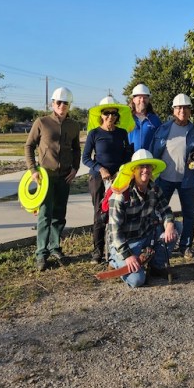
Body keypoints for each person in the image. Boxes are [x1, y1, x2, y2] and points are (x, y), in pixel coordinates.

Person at [24, 87, 81, 272]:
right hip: (45, 177)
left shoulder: (73, 125)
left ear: (69, 105)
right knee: (44, 215)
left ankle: (55, 247)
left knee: (59, 215)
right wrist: (33, 169)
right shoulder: (42, 122)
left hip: (64, 177)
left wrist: (75, 168)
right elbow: (29, 146)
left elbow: (76, 149)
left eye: (66, 103)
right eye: (59, 102)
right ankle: (41, 253)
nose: (62, 106)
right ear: (52, 103)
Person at [107, 149, 181, 288]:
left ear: (152, 170)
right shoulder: (121, 195)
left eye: (148, 166)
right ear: (134, 170)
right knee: (137, 280)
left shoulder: (155, 189)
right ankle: (114, 260)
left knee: (177, 227)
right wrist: (128, 256)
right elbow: (115, 232)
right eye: (141, 166)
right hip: (125, 242)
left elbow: (166, 210)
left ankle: (157, 265)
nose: (145, 170)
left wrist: (169, 225)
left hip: (146, 235)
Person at [150, 94, 194, 259]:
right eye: (178, 107)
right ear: (173, 110)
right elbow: (153, 151)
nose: (182, 110)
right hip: (164, 179)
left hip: (187, 180)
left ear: (190, 110)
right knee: (158, 213)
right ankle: (158, 243)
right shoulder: (163, 129)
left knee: (189, 214)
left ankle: (186, 246)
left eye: (185, 108)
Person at [82, 95, 133, 264]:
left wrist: (121, 170)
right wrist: (100, 169)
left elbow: (127, 155)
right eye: (107, 113)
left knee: (119, 211)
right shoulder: (94, 133)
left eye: (114, 113)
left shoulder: (122, 133)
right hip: (98, 177)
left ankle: (117, 248)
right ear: (101, 115)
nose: (110, 116)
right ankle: (97, 251)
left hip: (119, 177)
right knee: (100, 213)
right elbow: (86, 158)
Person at [128, 83, 161, 152]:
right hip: (130, 158)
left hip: (149, 157)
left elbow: (160, 142)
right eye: (139, 97)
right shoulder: (127, 118)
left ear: (148, 100)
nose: (142, 100)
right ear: (134, 99)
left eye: (145, 97)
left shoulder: (155, 120)